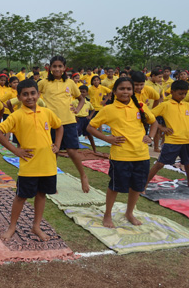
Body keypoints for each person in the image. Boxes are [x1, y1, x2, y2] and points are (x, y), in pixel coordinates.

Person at [0, 79, 63, 241]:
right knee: (21, 197)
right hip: (29, 166)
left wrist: (57, 145)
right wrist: (16, 150)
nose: (30, 97)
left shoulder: (47, 112)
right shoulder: (16, 116)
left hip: (48, 165)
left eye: (33, 93)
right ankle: (12, 227)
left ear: (38, 94)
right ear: (19, 97)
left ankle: (36, 226)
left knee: (41, 194)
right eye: (25, 94)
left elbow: (59, 127)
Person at [87, 77, 158, 228]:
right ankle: (107, 215)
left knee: (137, 186)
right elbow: (90, 127)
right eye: (121, 89)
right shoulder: (109, 109)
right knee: (115, 186)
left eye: (128, 89)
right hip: (120, 155)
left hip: (142, 154)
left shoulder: (140, 106)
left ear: (133, 91)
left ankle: (129, 213)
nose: (125, 92)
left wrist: (150, 137)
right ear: (114, 91)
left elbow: (154, 122)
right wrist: (107, 139)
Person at [38, 56, 89, 193]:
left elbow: (81, 99)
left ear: (64, 68)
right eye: (54, 66)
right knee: (52, 152)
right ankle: (51, 182)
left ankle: (83, 176)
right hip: (50, 123)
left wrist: (77, 110)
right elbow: (34, 96)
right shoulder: (43, 83)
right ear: (50, 68)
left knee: (72, 151)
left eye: (60, 66)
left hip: (69, 122)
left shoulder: (70, 83)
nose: (57, 69)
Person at [147, 80, 189, 183]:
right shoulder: (165, 105)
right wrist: (161, 127)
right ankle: (143, 184)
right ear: (172, 92)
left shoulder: (186, 105)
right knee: (160, 164)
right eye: (180, 93)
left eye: (185, 93)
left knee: (188, 164)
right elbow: (150, 116)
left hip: (187, 140)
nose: (183, 96)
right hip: (173, 140)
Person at [73, 85, 96, 152]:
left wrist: (90, 117)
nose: (82, 93)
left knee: (89, 135)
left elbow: (93, 110)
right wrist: (74, 117)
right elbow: (70, 110)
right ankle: (75, 150)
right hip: (78, 119)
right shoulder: (74, 102)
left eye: (83, 92)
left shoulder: (88, 103)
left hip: (85, 120)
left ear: (87, 93)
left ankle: (94, 150)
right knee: (76, 135)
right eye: (80, 92)